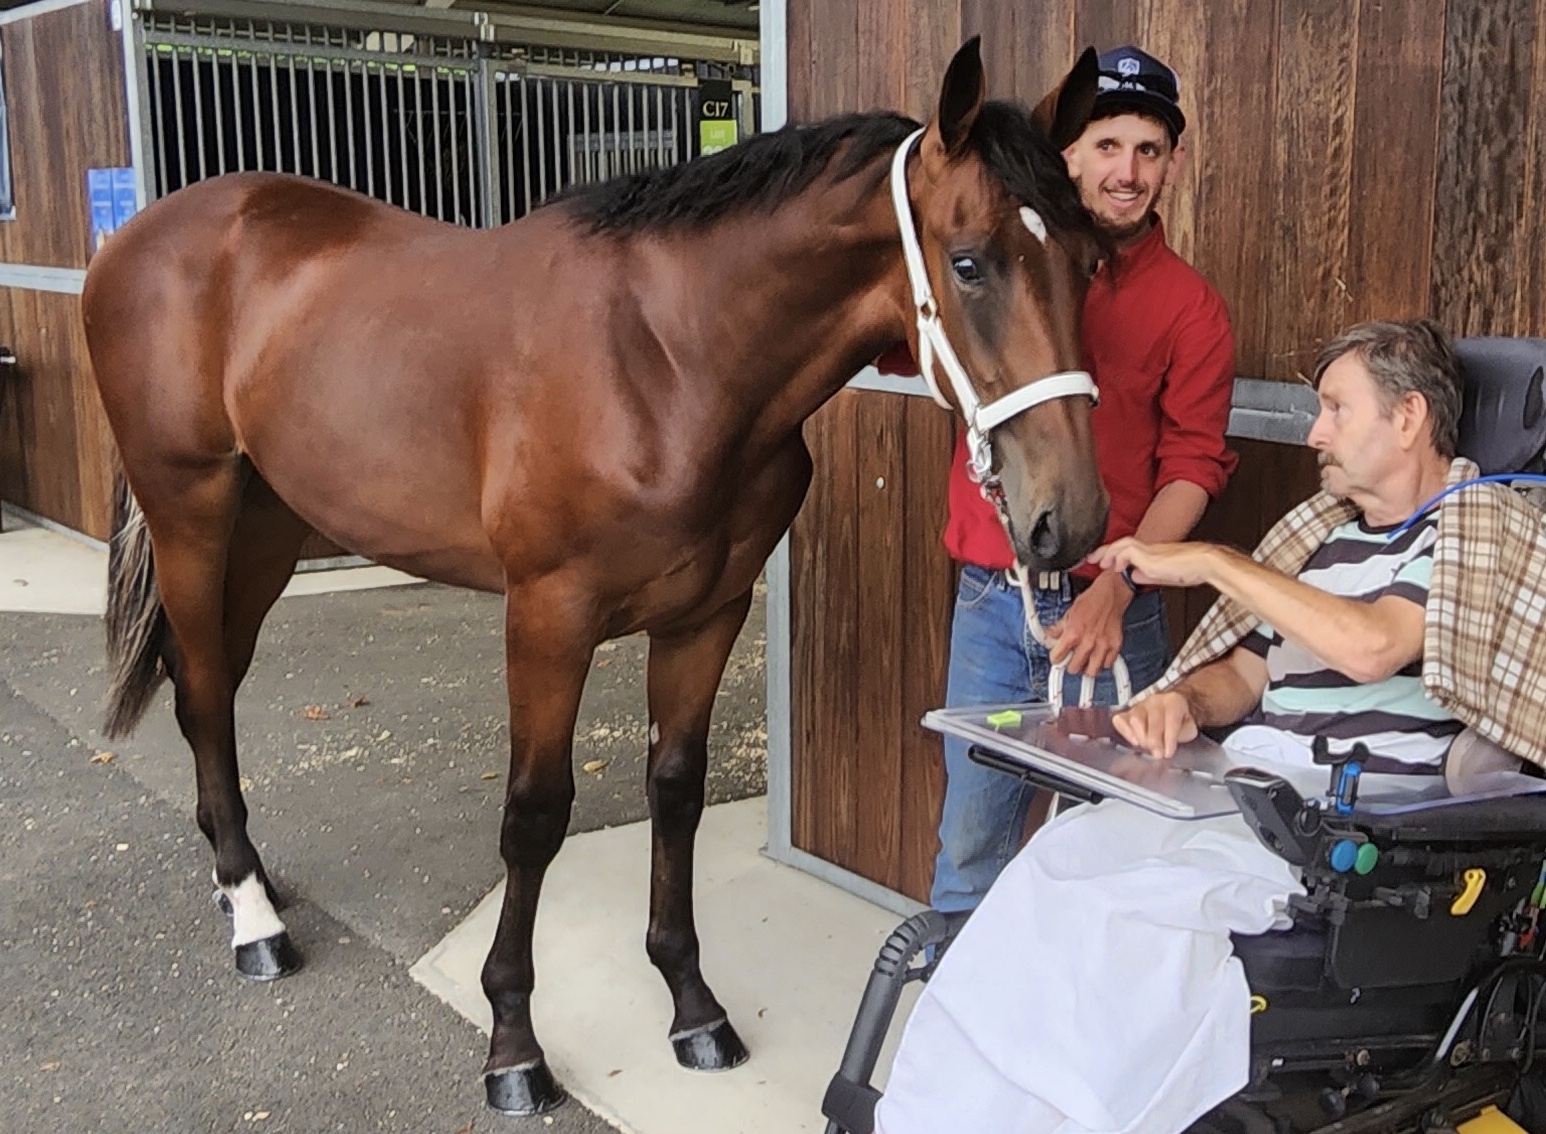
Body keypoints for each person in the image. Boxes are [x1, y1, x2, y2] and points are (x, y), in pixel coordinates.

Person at [874, 319, 1543, 1134]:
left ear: (1407, 418)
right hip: (1245, 785)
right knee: (1052, 863)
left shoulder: (1472, 534)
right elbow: (1246, 674)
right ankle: (939, 1115)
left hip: (1345, 830)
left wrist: (1214, 561)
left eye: (1335, 408)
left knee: (1120, 920)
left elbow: (1373, 647)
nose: (1315, 433)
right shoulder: (1325, 542)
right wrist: (1185, 703)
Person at [927, 45, 1239, 915]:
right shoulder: (998, 265)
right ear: (1069, 154)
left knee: (1113, 856)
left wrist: (1118, 584)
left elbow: (1192, 468)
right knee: (971, 846)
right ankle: (959, 997)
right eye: (1107, 146)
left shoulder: (1191, 308)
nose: (1126, 172)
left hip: (1116, 620)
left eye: (1148, 150)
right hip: (995, 605)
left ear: (1172, 164)